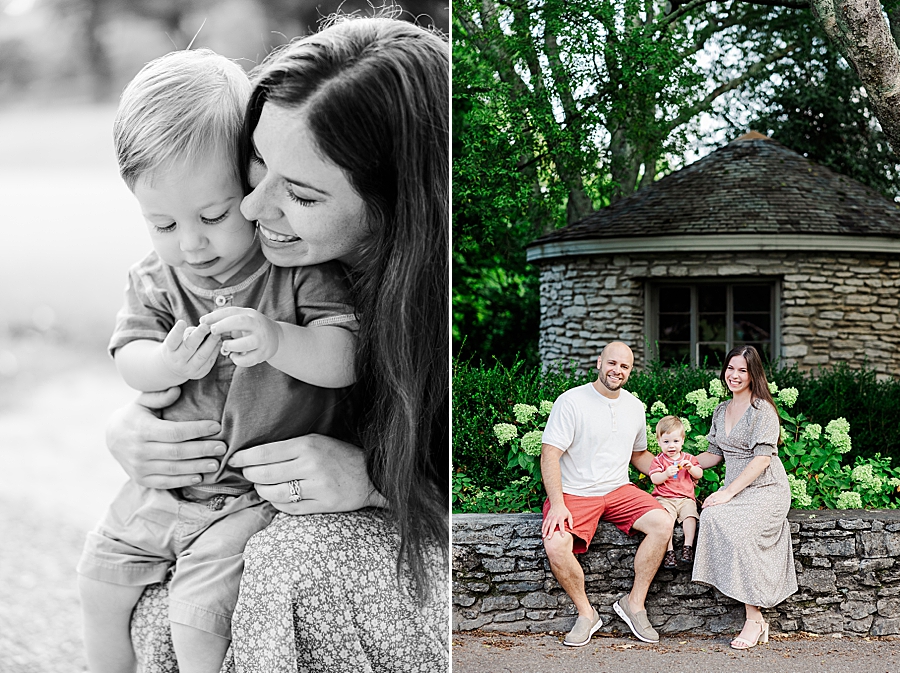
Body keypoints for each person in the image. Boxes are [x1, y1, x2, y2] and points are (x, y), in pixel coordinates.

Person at [103, 15, 449, 671]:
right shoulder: (259, 257)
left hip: (413, 535)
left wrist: (379, 479)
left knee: (289, 563)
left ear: (396, 204)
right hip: (253, 501)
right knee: (158, 598)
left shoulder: (440, 306)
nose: (253, 206)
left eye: (301, 192)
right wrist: (133, 424)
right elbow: (177, 349)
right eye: (257, 160)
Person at [77, 49, 358, 673]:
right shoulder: (158, 278)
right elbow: (131, 360)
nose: (191, 243)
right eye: (162, 223)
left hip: (253, 493)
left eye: (213, 215)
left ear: (250, 182)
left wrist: (280, 340)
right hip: (164, 485)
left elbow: (347, 357)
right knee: (99, 581)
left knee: (196, 614)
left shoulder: (297, 272)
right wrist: (166, 366)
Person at [540, 341, 674, 647]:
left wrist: (673, 470)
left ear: (630, 371)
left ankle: (634, 604)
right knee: (556, 543)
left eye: (624, 366)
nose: (617, 370)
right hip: (575, 492)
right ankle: (587, 614)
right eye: (612, 363)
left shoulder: (634, 407)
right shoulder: (572, 401)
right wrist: (558, 505)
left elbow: (639, 455)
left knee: (662, 523)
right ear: (599, 362)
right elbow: (549, 455)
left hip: (618, 490)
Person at [692, 345, 798, 650]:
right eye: (730, 368)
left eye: (743, 370)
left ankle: (754, 618)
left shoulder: (762, 410)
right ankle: (752, 614)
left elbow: (762, 460)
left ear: (753, 374)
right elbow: (714, 455)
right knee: (711, 516)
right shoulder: (721, 409)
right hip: (739, 490)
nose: (735, 375)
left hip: (766, 490)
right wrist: (683, 461)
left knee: (737, 531)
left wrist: (726, 492)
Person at [648, 416, 703, 570]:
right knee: (666, 521)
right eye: (666, 442)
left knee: (690, 517)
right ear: (659, 442)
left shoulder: (689, 459)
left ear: (682, 441)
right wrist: (665, 474)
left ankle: (688, 547)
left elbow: (699, 474)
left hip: (685, 499)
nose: (671, 446)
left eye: (675, 441)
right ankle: (669, 551)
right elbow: (654, 478)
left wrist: (691, 468)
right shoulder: (658, 461)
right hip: (665, 498)